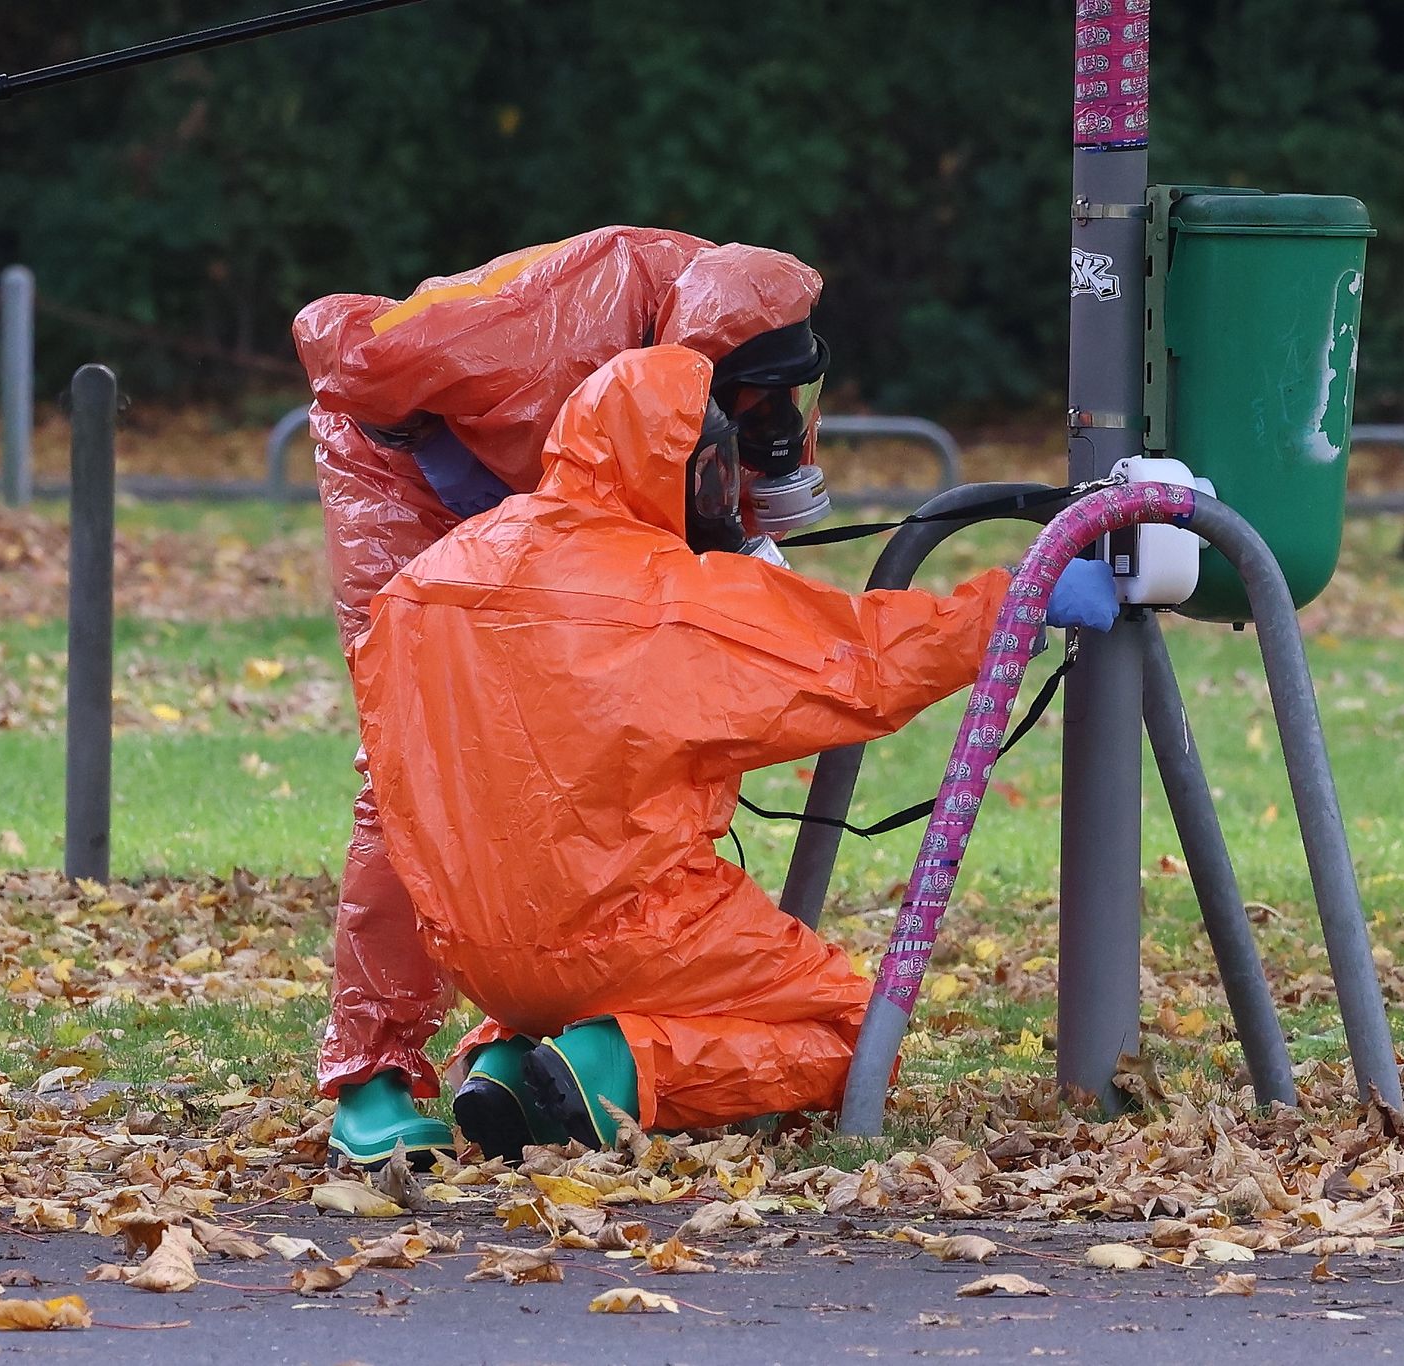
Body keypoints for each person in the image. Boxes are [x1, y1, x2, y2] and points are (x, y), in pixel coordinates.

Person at [349, 345, 1122, 1155]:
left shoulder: (423, 583)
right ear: (681, 469)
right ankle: (613, 1067)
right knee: (856, 1035)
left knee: (613, 987)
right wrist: (1019, 604)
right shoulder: (671, 597)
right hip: (630, 930)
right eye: (717, 474)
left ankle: (512, 1073)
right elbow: (860, 664)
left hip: (472, 948)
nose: (730, 496)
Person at [292, 229, 839, 1166]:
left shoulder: (746, 329)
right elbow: (346, 350)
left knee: (594, 741)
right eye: (759, 404)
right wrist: (488, 496)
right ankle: (372, 1076)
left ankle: (540, 1043)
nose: (783, 423)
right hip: (414, 488)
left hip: (547, 501)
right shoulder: (555, 326)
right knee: (420, 764)